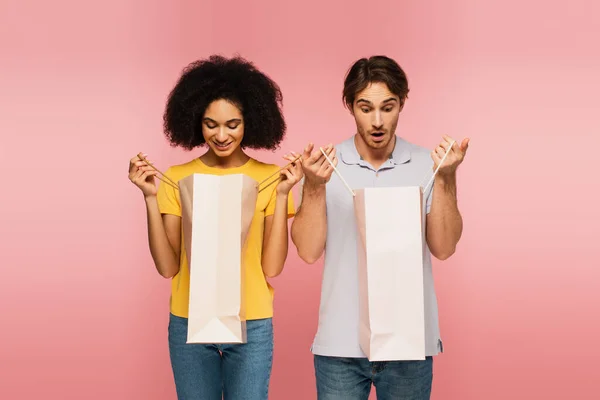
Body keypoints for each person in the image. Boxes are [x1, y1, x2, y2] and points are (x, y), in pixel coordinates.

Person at [291, 55, 469, 400]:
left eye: (387, 108)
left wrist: (447, 177)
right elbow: (308, 251)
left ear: (402, 103)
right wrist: (312, 186)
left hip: (410, 341)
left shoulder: (427, 163)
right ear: (350, 106)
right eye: (365, 107)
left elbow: (444, 247)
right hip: (339, 343)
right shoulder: (325, 165)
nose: (376, 121)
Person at [128, 55, 302, 400]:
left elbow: (273, 267)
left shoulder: (269, 178)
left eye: (233, 125)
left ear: (250, 121)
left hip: (251, 323)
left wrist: (283, 194)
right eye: (211, 125)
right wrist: (149, 197)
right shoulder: (177, 178)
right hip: (189, 322)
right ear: (196, 122)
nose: (221, 135)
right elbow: (167, 268)